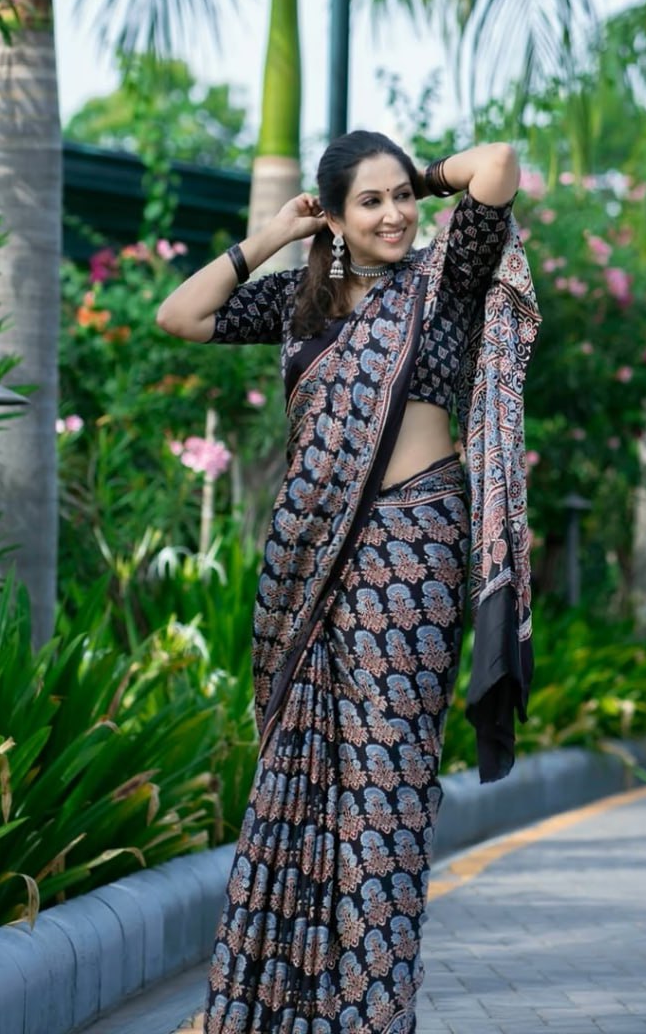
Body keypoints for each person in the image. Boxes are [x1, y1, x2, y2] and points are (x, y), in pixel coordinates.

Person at [156, 131, 539, 1034]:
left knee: (387, 792)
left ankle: (371, 1014)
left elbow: (499, 163)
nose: (397, 214)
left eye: (402, 196)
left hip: (413, 547)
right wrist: (273, 238)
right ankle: (278, 1007)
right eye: (369, 202)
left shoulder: (444, 282)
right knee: (302, 777)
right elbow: (180, 315)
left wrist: (426, 177)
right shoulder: (302, 303)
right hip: (310, 565)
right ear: (333, 214)